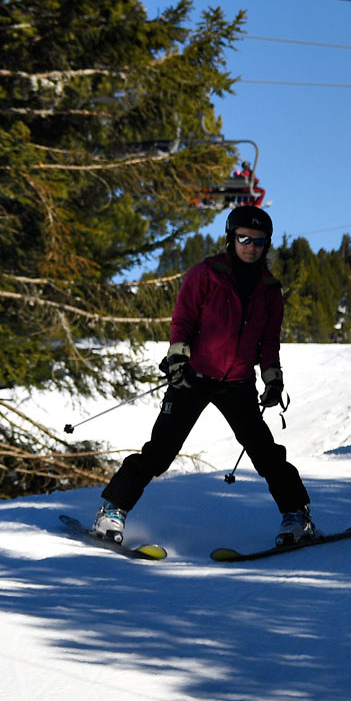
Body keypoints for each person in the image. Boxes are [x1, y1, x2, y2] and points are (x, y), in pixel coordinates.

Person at [91, 204, 318, 548]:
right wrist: (178, 359)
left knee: (265, 453)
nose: (251, 247)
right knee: (160, 451)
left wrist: (273, 379)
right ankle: (112, 510)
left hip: (237, 383)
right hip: (192, 377)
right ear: (231, 238)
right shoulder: (206, 274)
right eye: (244, 238)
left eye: (259, 241)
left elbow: (269, 339)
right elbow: (182, 319)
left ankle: (297, 516)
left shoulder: (270, 289)